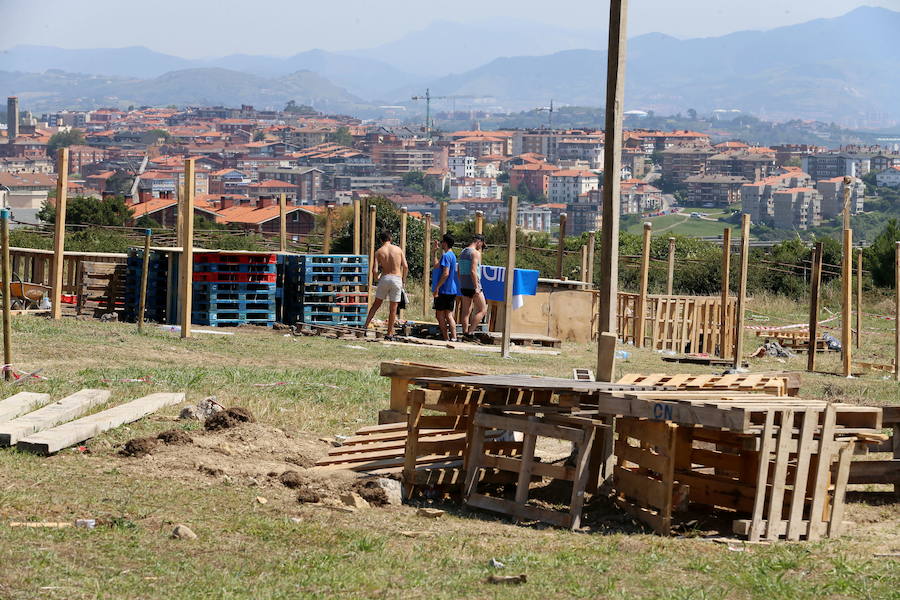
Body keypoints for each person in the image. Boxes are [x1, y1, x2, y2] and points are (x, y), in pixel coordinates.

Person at [363, 229, 408, 340]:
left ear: (381, 240)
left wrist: (377, 279)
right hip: (396, 278)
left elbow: (374, 270)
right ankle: (389, 333)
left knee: (376, 304)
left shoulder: (379, 252)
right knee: (393, 309)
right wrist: (404, 280)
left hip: (385, 278)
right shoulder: (398, 249)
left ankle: (364, 327)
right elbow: (405, 266)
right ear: (390, 238)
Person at [458, 234, 487, 339]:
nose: (481, 248)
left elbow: (459, 270)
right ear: (479, 242)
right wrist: (476, 287)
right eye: (482, 245)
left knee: (466, 311)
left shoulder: (462, 252)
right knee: (483, 309)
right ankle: (470, 333)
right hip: (473, 285)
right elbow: (473, 271)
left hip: (464, 284)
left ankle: (464, 332)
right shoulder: (475, 253)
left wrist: (461, 281)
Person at [431, 233, 459, 341]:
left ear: (445, 243)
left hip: (444, 290)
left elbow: (445, 273)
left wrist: (437, 287)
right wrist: (434, 252)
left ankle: (446, 337)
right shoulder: (452, 255)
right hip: (452, 290)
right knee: (449, 315)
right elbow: (437, 266)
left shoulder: (446, 256)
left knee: (439, 315)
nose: (441, 243)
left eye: (442, 242)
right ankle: (454, 337)